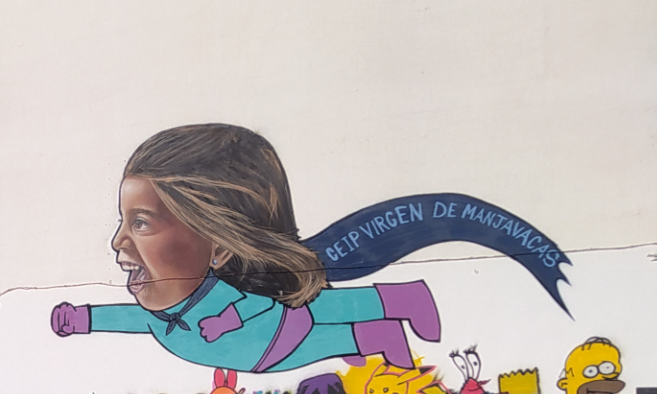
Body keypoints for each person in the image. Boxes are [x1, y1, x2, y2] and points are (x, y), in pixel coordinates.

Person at [48, 123, 442, 372]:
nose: (118, 241)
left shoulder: (217, 293)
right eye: (123, 221)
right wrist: (81, 319)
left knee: (326, 308)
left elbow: (259, 304)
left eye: (140, 223)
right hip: (266, 356)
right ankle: (381, 335)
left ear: (218, 246)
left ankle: (401, 299)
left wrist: (227, 322)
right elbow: (126, 319)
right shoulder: (161, 311)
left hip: (278, 333)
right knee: (331, 336)